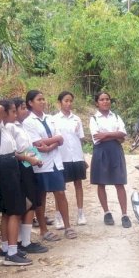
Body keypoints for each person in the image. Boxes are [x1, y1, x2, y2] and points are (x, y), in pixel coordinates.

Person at [22, 90, 77, 240]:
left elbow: (61, 138)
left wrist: (50, 145)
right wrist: (53, 141)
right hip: (40, 163)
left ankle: (68, 227)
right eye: (39, 99)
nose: (43, 101)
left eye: (43, 98)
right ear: (30, 103)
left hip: (55, 160)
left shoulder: (51, 119)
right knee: (41, 196)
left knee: (60, 192)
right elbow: (35, 143)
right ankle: (44, 230)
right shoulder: (28, 122)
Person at [0, 99, 34, 266]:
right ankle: (12, 253)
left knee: (7, 211)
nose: (15, 114)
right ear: (2, 114)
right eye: (12, 111)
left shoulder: (7, 128)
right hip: (5, 166)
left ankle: (6, 247)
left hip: (10, 165)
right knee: (14, 210)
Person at [8, 97, 49, 254]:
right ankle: (21, 241)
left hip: (28, 165)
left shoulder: (22, 126)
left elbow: (27, 147)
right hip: (20, 168)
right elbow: (14, 151)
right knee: (25, 203)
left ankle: (25, 240)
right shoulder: (12, 128)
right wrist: (29, 158)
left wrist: (35, 158)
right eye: (23, 108)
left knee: (31, 202)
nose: (26, 111)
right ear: (15, 112)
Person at [88, 91, 130, 228]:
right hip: (101, 152)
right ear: (97, 102)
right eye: (102, 99)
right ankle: (106, 212)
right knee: (101, 183)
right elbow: (96, 137)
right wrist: (115, 135)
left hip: (116, 151)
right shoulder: (93, 119)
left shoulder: (116, 117)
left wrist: (105, 134)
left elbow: (123, 134)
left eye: (107, 99)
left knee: (119, 182)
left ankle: (124, 214)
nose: (105, 101)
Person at [54, 91, 88, 226]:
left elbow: (79, 139)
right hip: (62, 158)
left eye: (70, 101)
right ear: (60, 102)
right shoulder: (54, 119)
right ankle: (58, 216)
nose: (68, 104)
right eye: (66, 101)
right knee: (59, 188)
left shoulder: (77, 119)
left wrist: (83, 158)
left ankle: (80, 213)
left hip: (76, 157)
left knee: (78, 184)